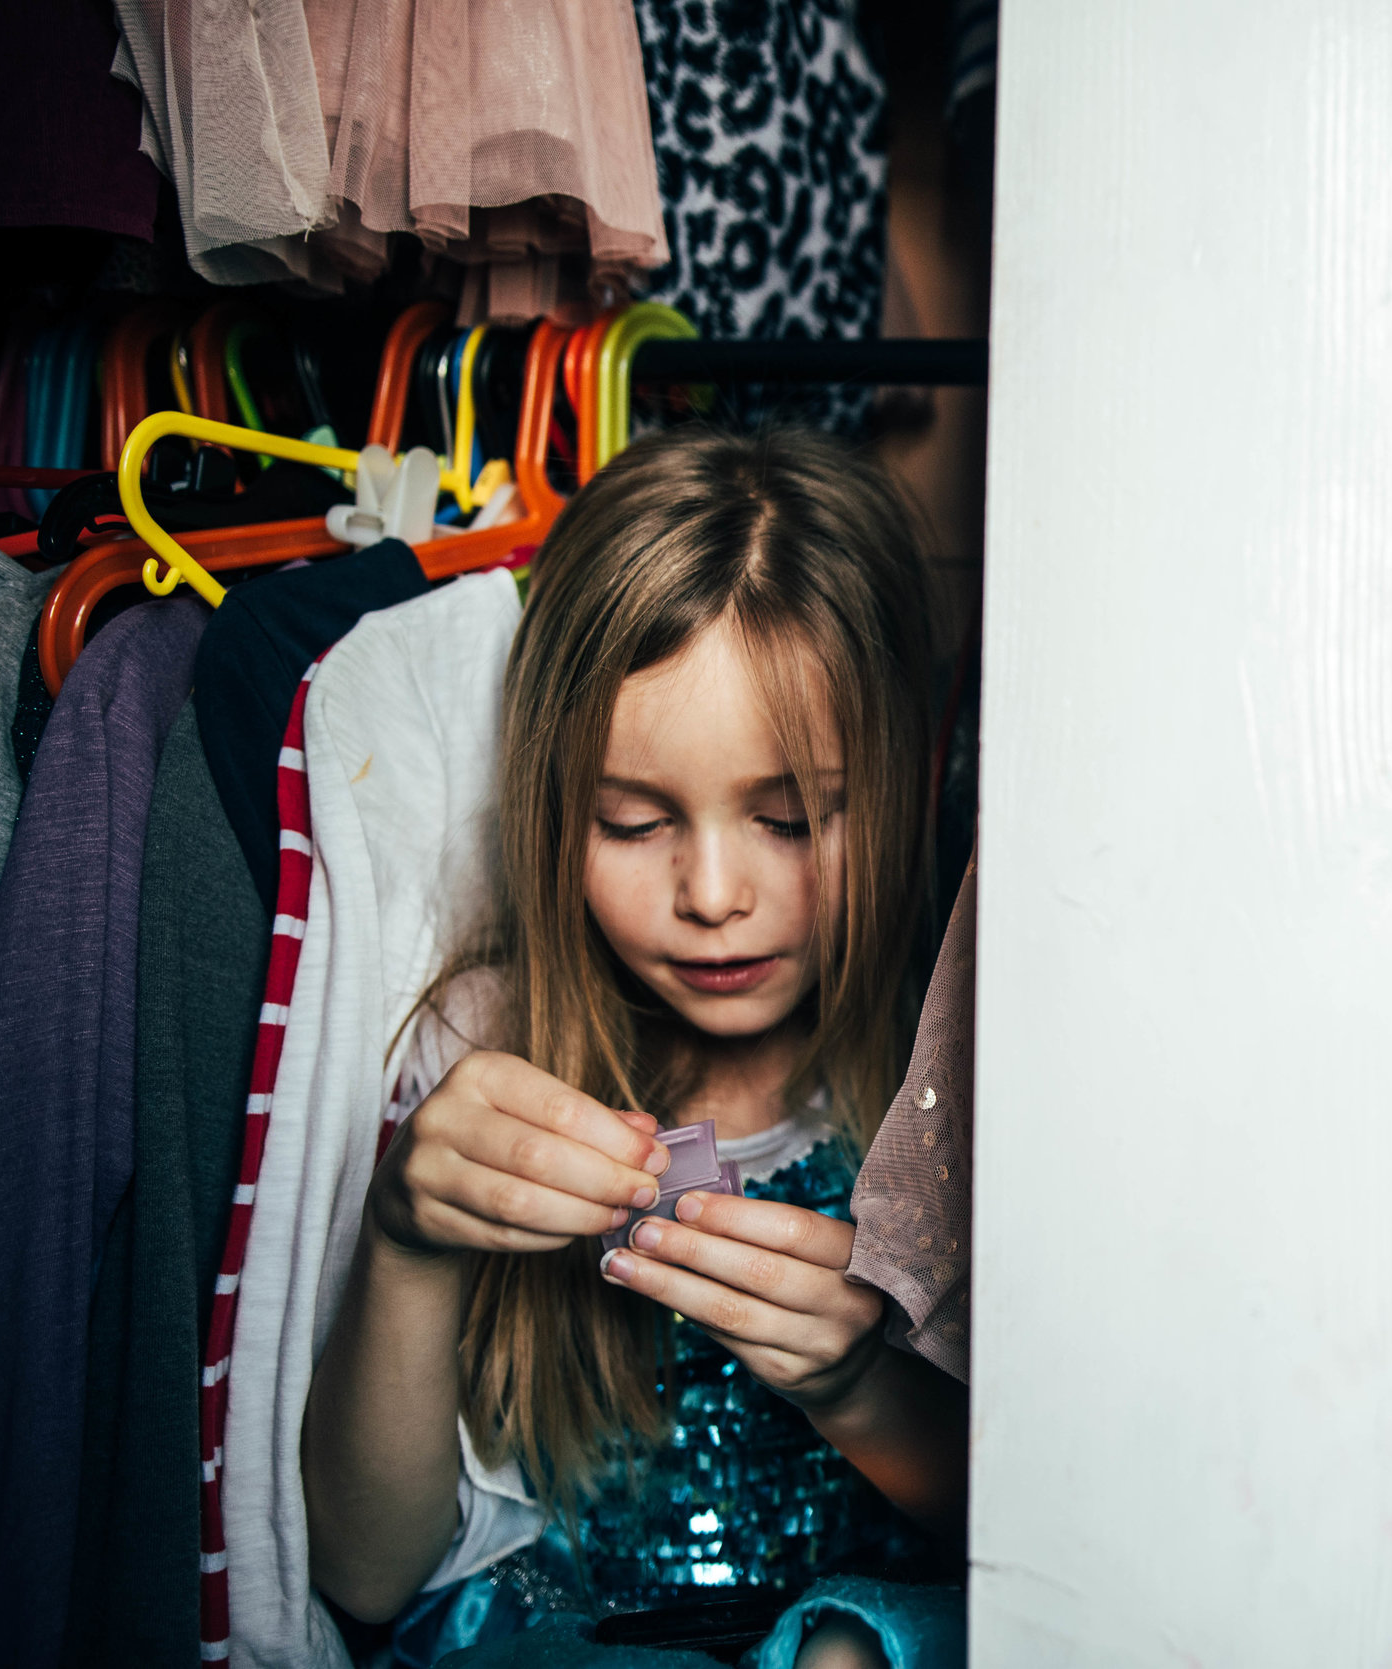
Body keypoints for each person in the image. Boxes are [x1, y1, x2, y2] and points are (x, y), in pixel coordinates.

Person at [302, 426, 967, 1669]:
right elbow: (361, 1573)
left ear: (905, 784)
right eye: (631, 820)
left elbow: (1064, 1536)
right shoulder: (482, 1054)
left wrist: (862, 1386)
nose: (712, 892)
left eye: (789, 817)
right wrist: (406, 1238)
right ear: (551, 805)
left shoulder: (970, 1085)